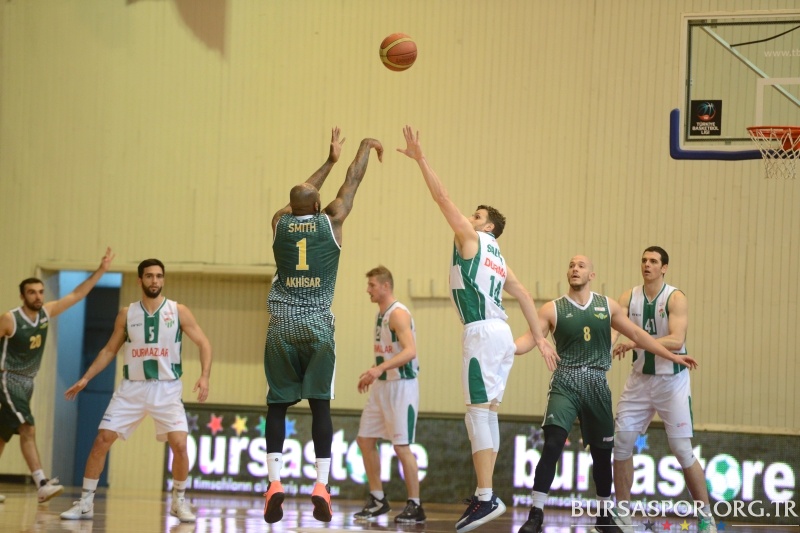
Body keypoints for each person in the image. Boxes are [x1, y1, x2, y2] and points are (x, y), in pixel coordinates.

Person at [398, 126, 556, 533]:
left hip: (483, 333)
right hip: (501, 334)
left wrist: (421, 159)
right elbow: (524, 294)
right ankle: (485, 493)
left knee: (476, 415)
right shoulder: (499, 258)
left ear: (486, 228)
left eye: (478, 216)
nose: (469, 217)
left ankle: (486, 497)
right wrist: (539, 339)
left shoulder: (471, 239)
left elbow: (441, 198)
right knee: (488, 413)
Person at [514, 255, 698, 533]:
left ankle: (603, 516)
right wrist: (505, 347)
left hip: (597, 383)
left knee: (602, 454)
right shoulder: (552, 308)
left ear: (592, 275)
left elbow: (638, 335)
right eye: (571, 265)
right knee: (552, 443)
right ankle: (536, 514)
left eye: (581, 266)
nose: (575, 269)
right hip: (566, 380)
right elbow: (529, 339)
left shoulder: (607, 306)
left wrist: (673, 356)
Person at [262, 128, 383, 525]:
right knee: (320, 406)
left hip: (281, 325)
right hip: (316, 325)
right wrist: (364, 146)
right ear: (318, 205)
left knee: (277, 405)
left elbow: (300, 195)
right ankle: (321, 484)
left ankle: (274, 483)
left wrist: (326, 163)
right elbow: (353, 181)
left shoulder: (279, 223)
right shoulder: (332, 221)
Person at [60, 258, 212, 523]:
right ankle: (85, 503)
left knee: (180, 444)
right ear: (140, 280)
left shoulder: (178, 311)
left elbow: (204, 343)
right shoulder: (127, 313)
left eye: (159, 276)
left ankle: (178, 502)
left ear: (163, 279)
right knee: (102, 440)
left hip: (167, 389)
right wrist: (86, 378)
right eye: (150, 276)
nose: (155, 280)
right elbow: (109, 350)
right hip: (132, 388)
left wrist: (205, 375)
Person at [611, 247, 716, 533]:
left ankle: (706, 516)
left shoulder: (675, 297)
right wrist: (606, 346)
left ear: (664, 268)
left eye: (653, 261)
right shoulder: (628, 297)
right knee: (622, 442)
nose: (647, 265)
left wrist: (635, 342)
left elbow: (676, 340)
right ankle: (623, 515)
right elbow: (614, 329)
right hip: (639, 380)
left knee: (682, 449)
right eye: (644, 260)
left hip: (671, 381)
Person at [0, 247, 115, 504]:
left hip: (27, 383)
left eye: (41, 291)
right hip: (8, 379)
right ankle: (41, 483)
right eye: (32, 292)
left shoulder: (45, 313)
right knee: (28, 427)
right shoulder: (9, 319)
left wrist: (101, 270)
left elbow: (77, 294)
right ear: (22, 295)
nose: (38, 296)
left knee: (3, 434)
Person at [354, 266, 425, 524]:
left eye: (372, 285)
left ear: (386, 286)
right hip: (382, 386)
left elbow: (410, 351)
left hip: (402, 386)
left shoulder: (398, 314)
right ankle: (377, 499)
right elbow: (387, 352)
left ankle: (415, 505)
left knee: (401, 446)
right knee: (365, 440)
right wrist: (373, 372)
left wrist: (380, 368)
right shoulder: (380, 314)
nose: (368, 290)